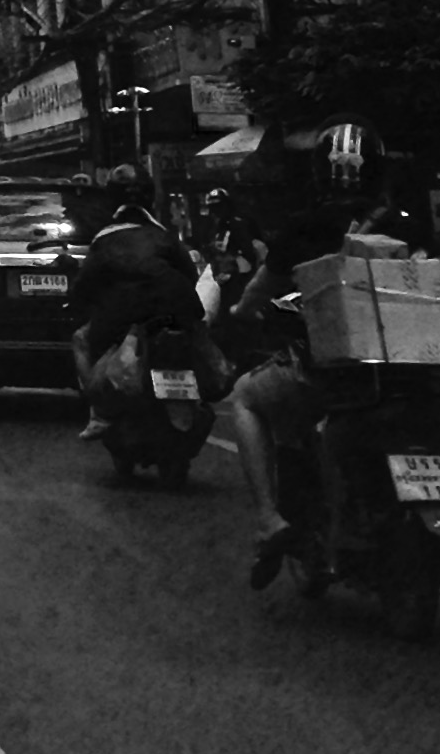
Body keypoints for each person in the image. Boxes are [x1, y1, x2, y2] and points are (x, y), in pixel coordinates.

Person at [229, 121, 405, 588]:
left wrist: (240, 311)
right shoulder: (404, 224)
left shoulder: (305, 226)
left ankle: (268, 519)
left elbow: (260, 288)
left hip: (333, 373)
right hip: (408, 371)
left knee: (244, 397)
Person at [69, 168, 225, 439]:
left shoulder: (104, 238)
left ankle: (99, 412)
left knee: (80, 339)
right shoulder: (165, 235)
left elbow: (83, 288)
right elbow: (190, 276)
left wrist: (81, 304)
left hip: (124, 319)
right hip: (177, 315)